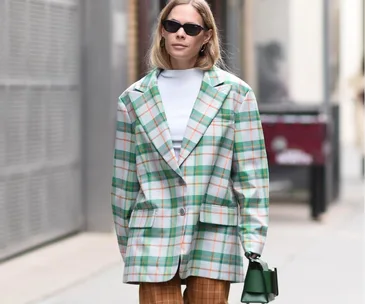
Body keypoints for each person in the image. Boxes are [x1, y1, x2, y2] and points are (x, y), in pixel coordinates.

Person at [111, 0, 269, 303]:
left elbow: (252, 176)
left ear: (206, 36)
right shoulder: (132, 99)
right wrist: (128, 245)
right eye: (172, 26)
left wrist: (252, 242)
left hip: (213, 234)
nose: (180, 34)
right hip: (153, 235)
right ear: (162, 31)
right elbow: (123, 181)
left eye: (191, 28)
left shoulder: (235, 95)